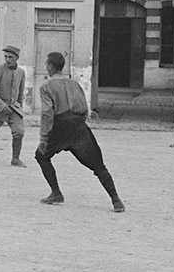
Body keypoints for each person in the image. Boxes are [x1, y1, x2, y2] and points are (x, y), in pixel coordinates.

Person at [35, 52, 124, 212]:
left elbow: (47, 113)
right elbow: (84, 108)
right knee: (98, 166)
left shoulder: (46, 86)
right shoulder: (74, 83)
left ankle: (56, 193)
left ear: (49, 66)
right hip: (78, 126)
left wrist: (44, 137)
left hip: (60, 127)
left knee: (41, 155)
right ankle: (116, 200)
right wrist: (79, 124)